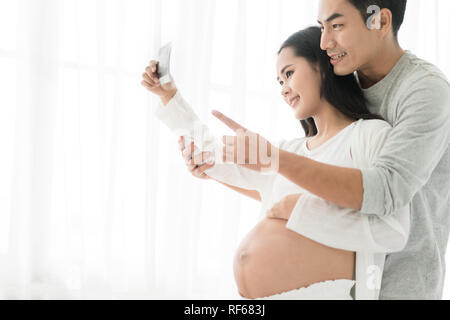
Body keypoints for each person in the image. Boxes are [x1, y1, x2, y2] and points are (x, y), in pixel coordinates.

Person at [176, 0, 450, 300]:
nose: (324, 42)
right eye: (321, 28)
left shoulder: (424, 91)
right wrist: (217, 167)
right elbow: (299, 184)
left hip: (401, 283)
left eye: (336, 25)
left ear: (380, 22)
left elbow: (385, 191)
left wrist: (278, 165)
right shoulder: (344, 83)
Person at [141, 26, 410, 300]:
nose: (283, 89)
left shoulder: (368, 136)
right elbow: (213, 154)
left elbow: (393, 232)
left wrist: (300, 209)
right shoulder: (287, 152)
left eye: (289, 73)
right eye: (279, 82)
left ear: (322, 66)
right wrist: (168, 96)